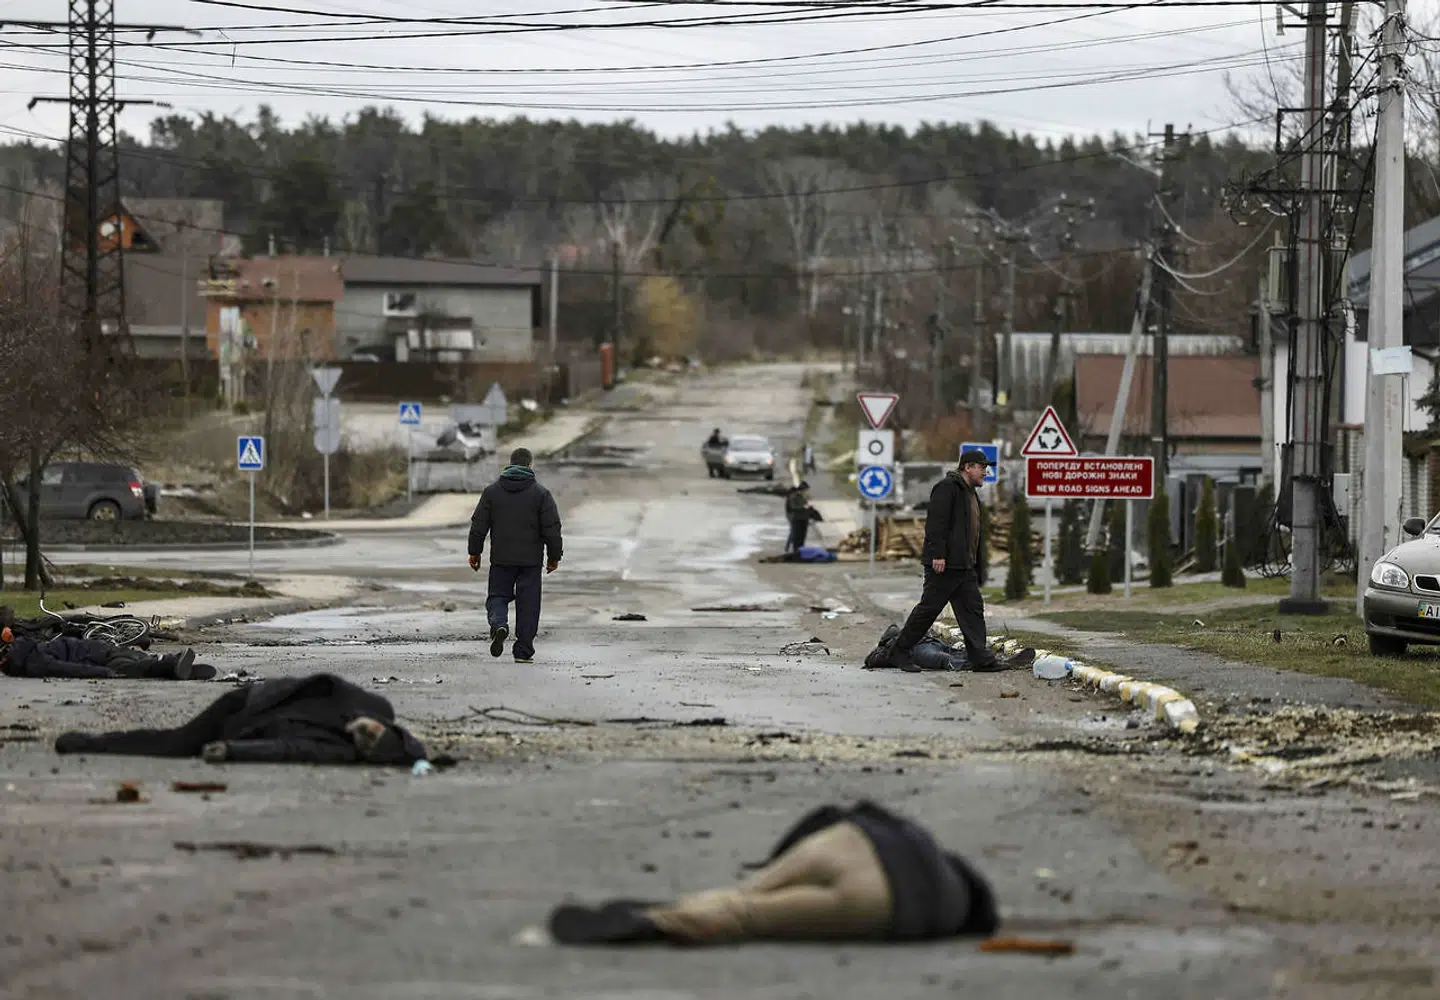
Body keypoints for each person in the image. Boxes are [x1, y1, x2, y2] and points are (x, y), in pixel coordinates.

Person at [548, 801, 999, 945]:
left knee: (747, 892)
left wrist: (774, 863)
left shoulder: (922, 840)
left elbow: (830, 814)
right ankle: (662, 922)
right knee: (750, 917)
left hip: (851, 840)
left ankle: (713, 898)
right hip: (885, 901)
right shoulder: (951, 908)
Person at [53, 673, 430, 765]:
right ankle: (92, 743)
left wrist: (231, 750)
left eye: (366, 741)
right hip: (249, 702)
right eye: (373, 732)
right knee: (177, 743)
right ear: (384, 725)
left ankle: (91, 743)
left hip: (246, 725)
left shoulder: (340, 751)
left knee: (178, 745)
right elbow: (326, 682)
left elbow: (288, 750)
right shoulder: (373, 704)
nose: (363, 734)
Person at [887, 449, 1001, 672]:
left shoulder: (970, 493)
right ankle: (899, 651)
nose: (986, 473)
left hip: (964, 566)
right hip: (946, 565)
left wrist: (977, 565)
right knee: (928, 610)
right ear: (967, 467)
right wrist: (938, 554)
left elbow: (973, 533)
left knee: (973, 610)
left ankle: (981, 658)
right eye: (982, 467)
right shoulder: (947, 488)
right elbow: (936, 524)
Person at [468, 447, 563, 664]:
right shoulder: (541, 494)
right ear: (530, 466)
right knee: (528, 604)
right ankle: (523, 650)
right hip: (530, 561)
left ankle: (499, 624)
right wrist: (554, 556)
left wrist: (474, 551)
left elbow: (478, 526)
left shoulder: (492, 492)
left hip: (501, 559)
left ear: (510, 465)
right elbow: (552, 528)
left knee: (497, 596)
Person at [1, 628, 213, 681]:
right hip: (97, 648)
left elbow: (69, 669)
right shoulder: (27, 646)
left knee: (132, 668)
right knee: (138, 660)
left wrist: (102, 673)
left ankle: (171, 665)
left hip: (98, 659)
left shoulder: (30, 663)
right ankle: (179, 668)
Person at [784, 481, 817, 553]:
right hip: (796, 518)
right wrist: (804, 507)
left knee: (802, 535)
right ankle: (794, 549)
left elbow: (804, 504)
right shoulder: (793, 496)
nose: (806, 492)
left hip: (803, 518)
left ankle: (800, 548)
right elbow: (794, 507)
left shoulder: (801, 496)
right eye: (806, 490)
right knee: (796, 534)